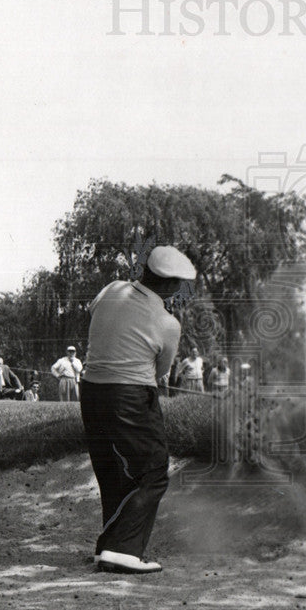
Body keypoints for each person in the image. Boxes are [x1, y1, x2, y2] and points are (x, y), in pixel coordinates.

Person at [80, 245, 196, 574]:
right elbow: (160, 372)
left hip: (91, 391)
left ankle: (108, 548)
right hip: (130, 395)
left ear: (145, 270)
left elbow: (96, 313)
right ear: (172, 285)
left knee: (112, 473)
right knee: (153, 472)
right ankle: (123, 550)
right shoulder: (167, 322)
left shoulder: (111, 289)